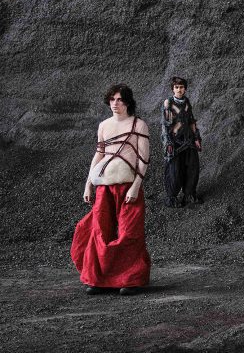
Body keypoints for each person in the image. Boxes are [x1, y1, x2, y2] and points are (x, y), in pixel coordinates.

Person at [71, 84, 151, 295]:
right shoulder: (104, 125)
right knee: (100, 231)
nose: (115, 104)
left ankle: (130, 279)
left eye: (119, 100)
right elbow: (99, 155)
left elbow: (143, 160)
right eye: (112, 99)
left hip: (127, 188)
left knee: (128, 233)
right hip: (104, 188)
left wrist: (135, 187)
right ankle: (98, 279)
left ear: (127, 102)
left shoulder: (139, 125)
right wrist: (88, 183)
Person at [161, 76, 202, 207]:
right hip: (175, 142)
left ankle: (189, 195)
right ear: (173, 89)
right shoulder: (168, 103)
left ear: (185, 89)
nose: (179, 90)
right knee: (174, 170)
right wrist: (168, 142)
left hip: (189, 141)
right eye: (176, 87)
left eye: (181, 87)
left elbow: (191, 121)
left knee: (192, 168)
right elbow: (166, 125)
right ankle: (172, 198)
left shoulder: (187, 102)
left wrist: (196, 138)